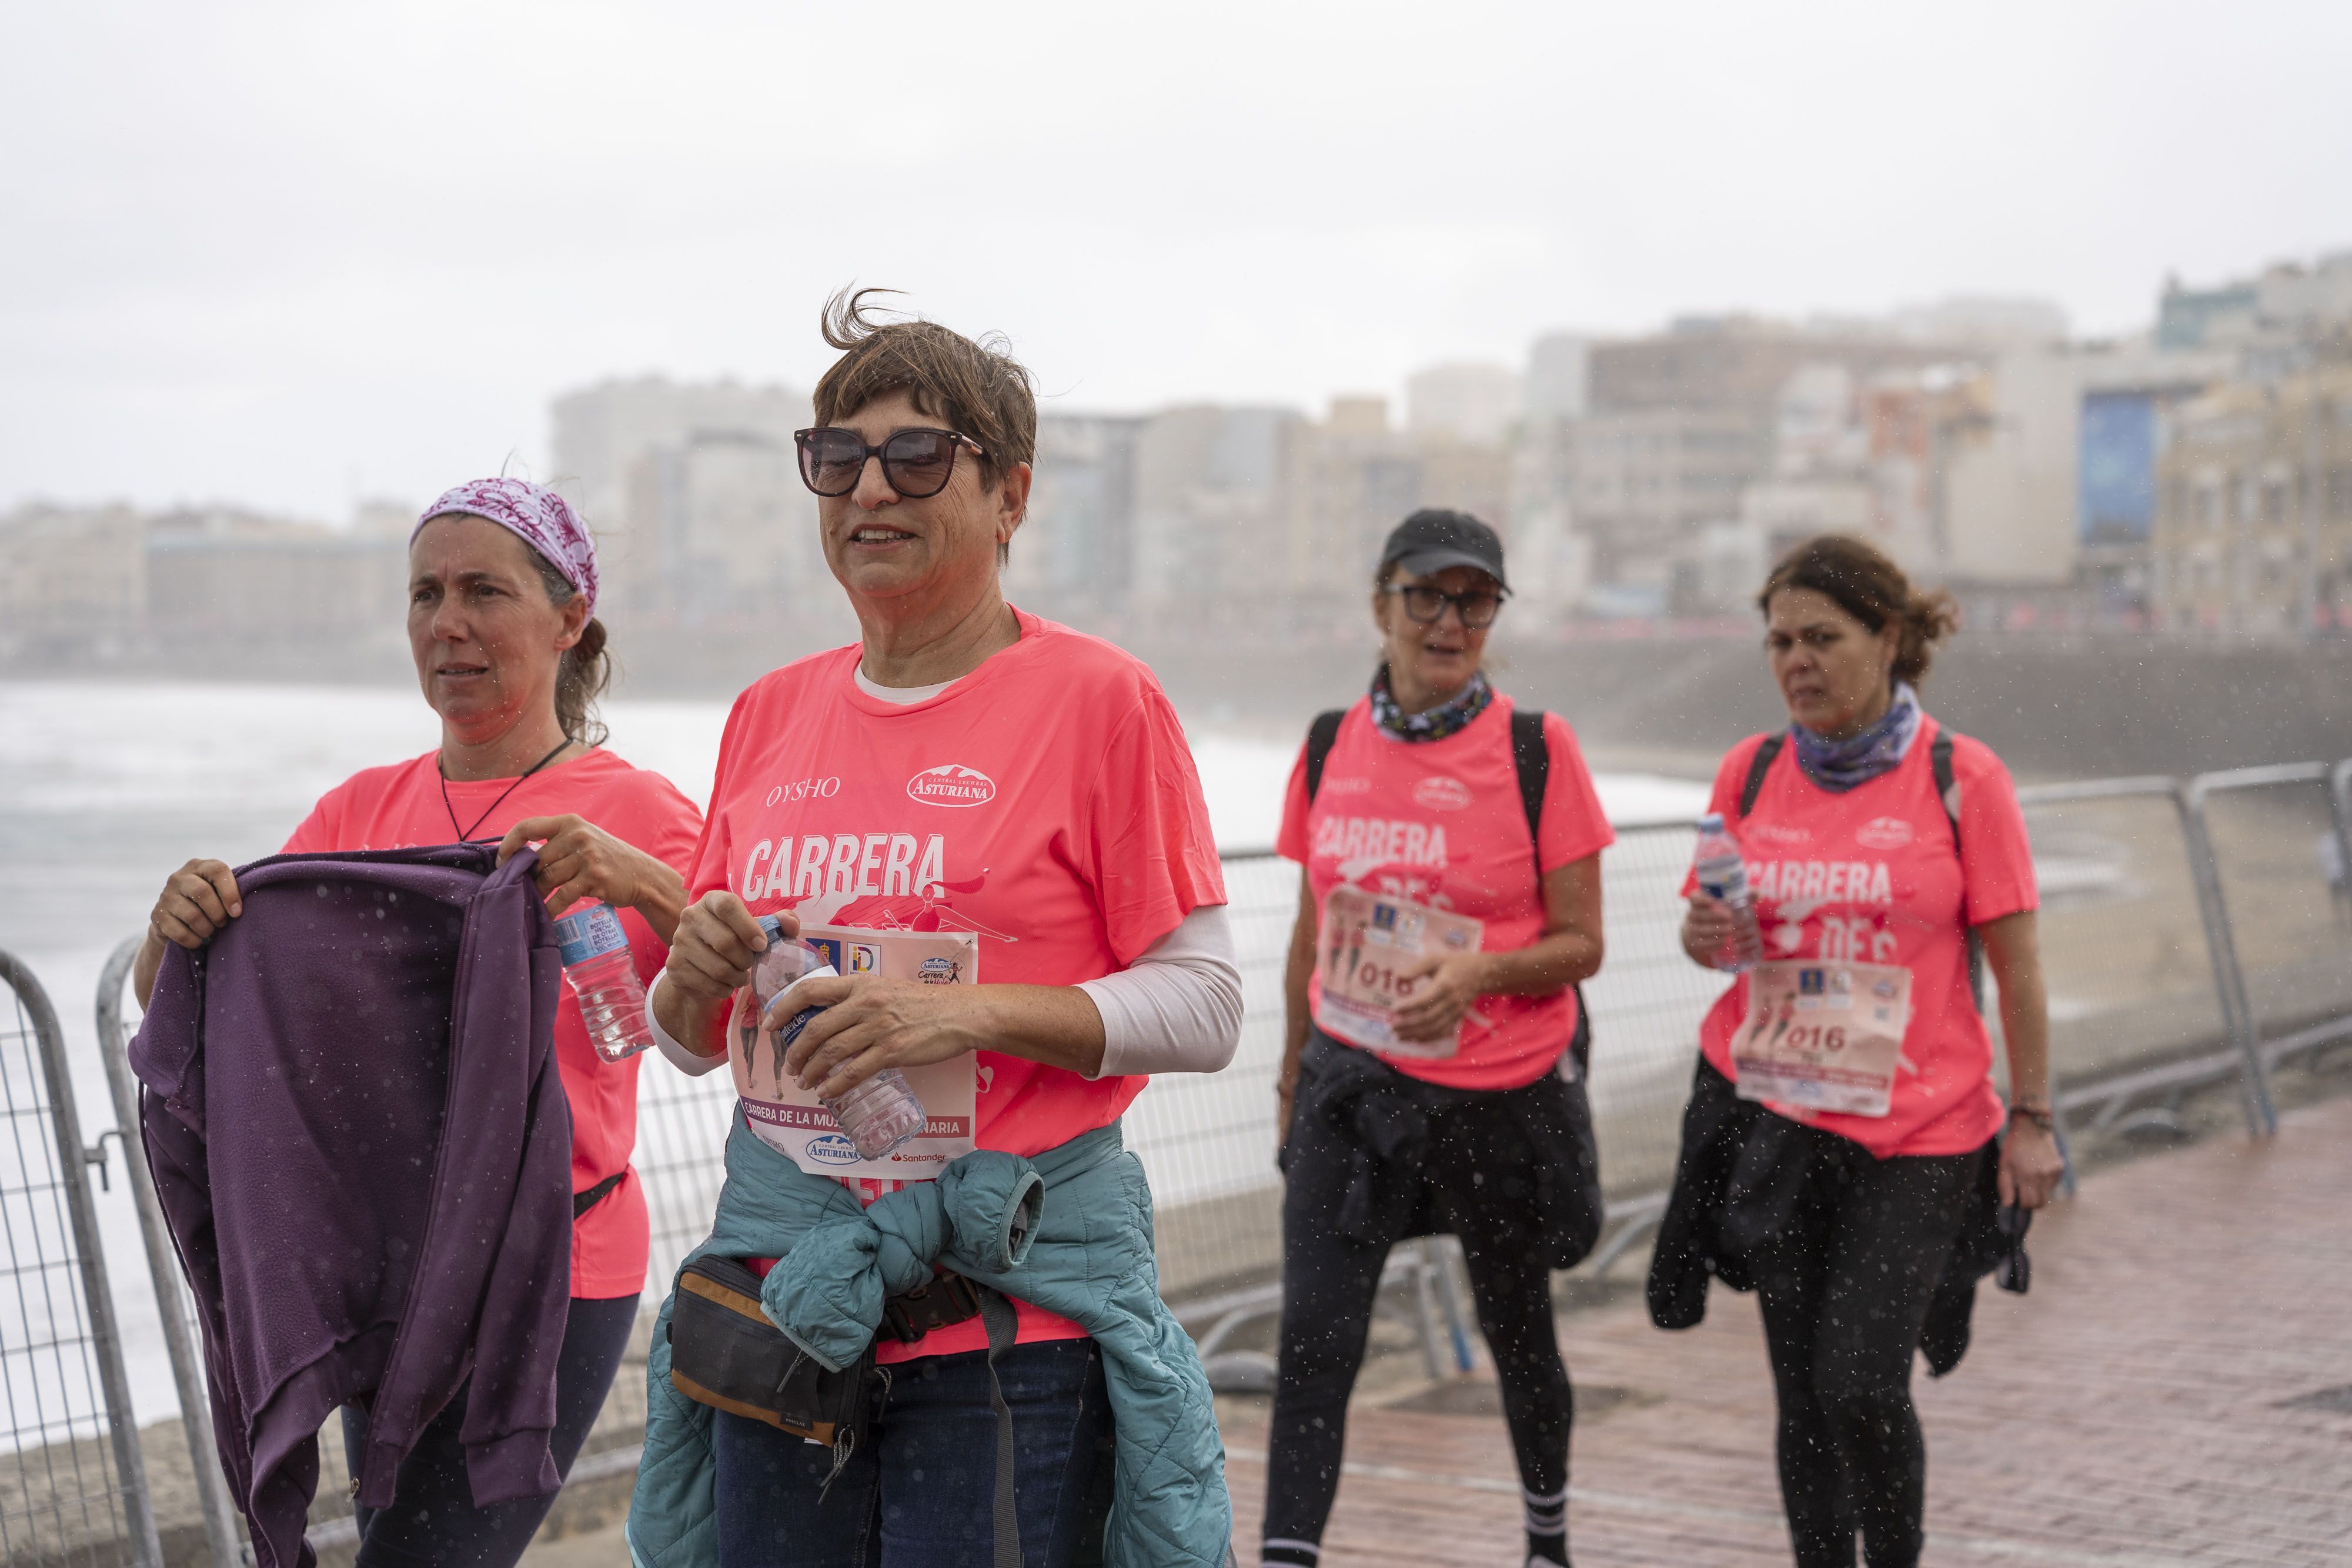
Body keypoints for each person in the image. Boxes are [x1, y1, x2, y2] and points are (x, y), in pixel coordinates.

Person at [633, 290, 1243, 1568]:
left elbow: (1203, 1004)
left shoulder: (1100, 701)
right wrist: (685, 986)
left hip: (1005, 1317)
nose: (870, 491)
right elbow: (691, 1044)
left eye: (917, 457)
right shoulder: (766, 713)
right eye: (835, 459)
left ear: (1008, 493)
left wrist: (961, 1013)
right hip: (788, 1296)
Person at [132, 477, 702, 1568]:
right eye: (426, 594)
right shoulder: (359, 809)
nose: (448, 624)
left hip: (558, 1258)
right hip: (387, 1262)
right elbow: (215, 1005)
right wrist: (180, 928)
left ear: (569, 616)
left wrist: (641, 883)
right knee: (405, 1538)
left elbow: (722, 1015)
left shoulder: (638, 810)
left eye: (484, 591)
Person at [1665, 534, 2065, 1568]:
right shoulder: (1747, 773)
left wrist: (2033, 1122)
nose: (1797, 660)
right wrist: (1704, 937)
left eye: (1823, 637)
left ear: (1889, 638)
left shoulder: (1961, 778)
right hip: (1781, 1121)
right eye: (1779, 640)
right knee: (1802, 1396)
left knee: (1860, 1386)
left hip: (1922, 1133)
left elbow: (2018, 969)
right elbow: (1715, 933)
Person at [1264, 510, 1613, 1568]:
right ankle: (1287, 1556)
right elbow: (1310, 928)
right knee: (1315, 1342)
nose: (1450, 621)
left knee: (1518, 1332)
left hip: (1496, 1095)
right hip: (1349, 1089)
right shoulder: (1330, 743)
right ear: (1383, 606)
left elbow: (1584, 944)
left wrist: (1480, 974)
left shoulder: (1535, 749)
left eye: (1475, 600)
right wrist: (1289, 1075)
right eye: (1428, 596)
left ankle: (1546, 1539)